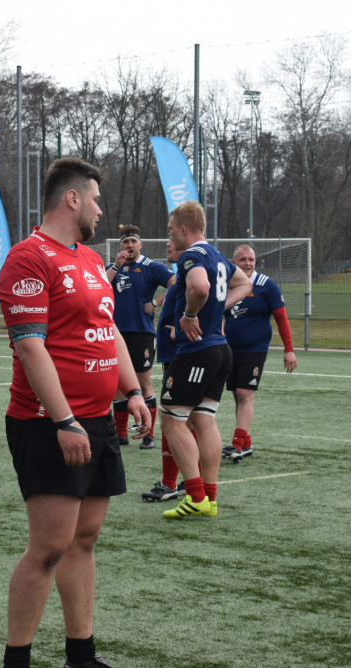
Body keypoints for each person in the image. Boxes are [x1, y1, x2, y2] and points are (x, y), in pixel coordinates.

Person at [0, 157, 151, 668]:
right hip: (46, 424)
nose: (101, 209)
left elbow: (109, 335)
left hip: (99, 420)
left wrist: (132, 392)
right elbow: (30, 348)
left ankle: (80, 656)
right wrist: (63, 421)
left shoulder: (88, 259)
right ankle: (16, 660)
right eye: (96, 199)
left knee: (84, 539)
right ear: (72, 199)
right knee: (49, 546)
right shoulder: (28, 258)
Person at [159, 200, 251, 519]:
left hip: (197, 349)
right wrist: (218, 307)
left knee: (172, 420)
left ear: (184, 229)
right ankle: (209, 498)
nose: (170, 234)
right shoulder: (219, 257)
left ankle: (196, 495)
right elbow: (245, 283)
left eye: (172, 230)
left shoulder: (192, 256)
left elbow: (199, 286)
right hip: (221, 349)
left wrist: (189, 315)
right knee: (204, 419)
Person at [221, 244, 297, 462]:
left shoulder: (266, 285)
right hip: (230, 349)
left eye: (251, 259)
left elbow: (282, 319)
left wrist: (289, 350)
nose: (247, 263)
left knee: (245, 395)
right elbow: (222, 315)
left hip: (255, 349)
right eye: (242, 259)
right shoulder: (227, 285)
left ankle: (237, 444)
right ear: (233, 263)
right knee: (237, 395)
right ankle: (246, 443)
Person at [105, 224, 173, 449]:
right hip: (115, 334)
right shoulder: (113, 267)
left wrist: (155, 303)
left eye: (133, 241)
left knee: (143, 384)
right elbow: (100, 285)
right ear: (120, 245)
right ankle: (121, 434)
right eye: (126, 242)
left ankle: (149, 434)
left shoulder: (151, 267)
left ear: (140, 244)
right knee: (117, 385)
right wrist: (116, 265)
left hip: (141, 333)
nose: (129, 245)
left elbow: (177, 282)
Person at [141, 240, 187, 502]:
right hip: (177, 354)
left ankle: (173, 484)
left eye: (173, 236)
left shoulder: (193, 268)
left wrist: (182, 327)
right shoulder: (184, 273)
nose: (168, 243)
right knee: (192, 421)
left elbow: (203, 296)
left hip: (182, 354)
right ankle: (191, 484)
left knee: (173, 421)